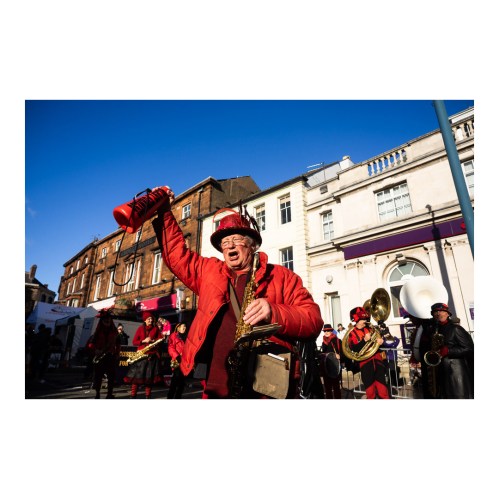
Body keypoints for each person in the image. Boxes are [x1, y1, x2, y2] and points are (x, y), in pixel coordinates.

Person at [151, 188, 323, 398]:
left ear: (252, 245)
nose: (230, 246)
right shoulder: (209, 271)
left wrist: (274, 312)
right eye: (225, 242)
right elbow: (177, 256)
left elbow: (313, 320)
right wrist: (164, 213)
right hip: (215, 388)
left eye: (237, 239)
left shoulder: (282, 276)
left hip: (265, 390)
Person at [430, 303, 474, 399]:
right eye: (435, 312)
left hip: (456, 372)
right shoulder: (436, 330)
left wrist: (449, 351)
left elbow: (469, 348)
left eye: (441, 311)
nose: (438, 314)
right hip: (442, 371)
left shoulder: (456, 329)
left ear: (448, 314)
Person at [345, 306, 389, 399]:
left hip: (378, 361)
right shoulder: (352, 333)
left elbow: (379, 345)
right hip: (365, 363)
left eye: (365, 318)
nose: (365, 321)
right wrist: (364, 340)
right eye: (362, 319)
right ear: (357, 320)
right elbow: (354, 349)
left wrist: (381, 342)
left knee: (383, 391)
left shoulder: (371, 329)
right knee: (370, 392)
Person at [124, 311, 165, 399]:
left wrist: (153, 341)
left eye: (151, 319)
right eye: (148, 319)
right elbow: (134, 342)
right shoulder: (140, 328)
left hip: (151, 356)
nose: (150, 320)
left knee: (149, 379)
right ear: (145, 320)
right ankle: (133, 395)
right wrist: (143, 341)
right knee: (136, 378)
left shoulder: (156, 329)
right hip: (141, 356)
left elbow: (161, 340)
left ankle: (147, 396)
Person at [91, 308, 121, 399]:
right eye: (105, 320)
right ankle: (97, 394)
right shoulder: (98, 331)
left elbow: (118, 344)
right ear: (102, 321)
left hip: (110, 355)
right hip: (100, 356)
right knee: (98, 376)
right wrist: (96, 350)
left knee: (111, 376)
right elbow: (92, 343)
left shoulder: (114, 331)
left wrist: (117, 353)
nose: (107, 321)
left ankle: (109, 394)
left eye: (109, 320)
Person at [320, 323, 342, 399]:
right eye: (325, 331)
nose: (326, 332)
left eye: (328, 331)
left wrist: (339, 355)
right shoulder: (323, 342)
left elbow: (342, 353)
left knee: (336, 387)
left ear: (331, 331)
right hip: (326, 367)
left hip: (335, 367)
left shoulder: (337, 340)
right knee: (327, 388)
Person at [167, 323, 187, 398]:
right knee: (175, 382)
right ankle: (170, 397)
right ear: (178, 328)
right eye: (183, 326)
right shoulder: (174, 335)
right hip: (177, 361)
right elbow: (170, 347)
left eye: (185, 327)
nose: (184, 328)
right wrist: (177, 356)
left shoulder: (186, 337)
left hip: (185, 362)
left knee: (182, 383)